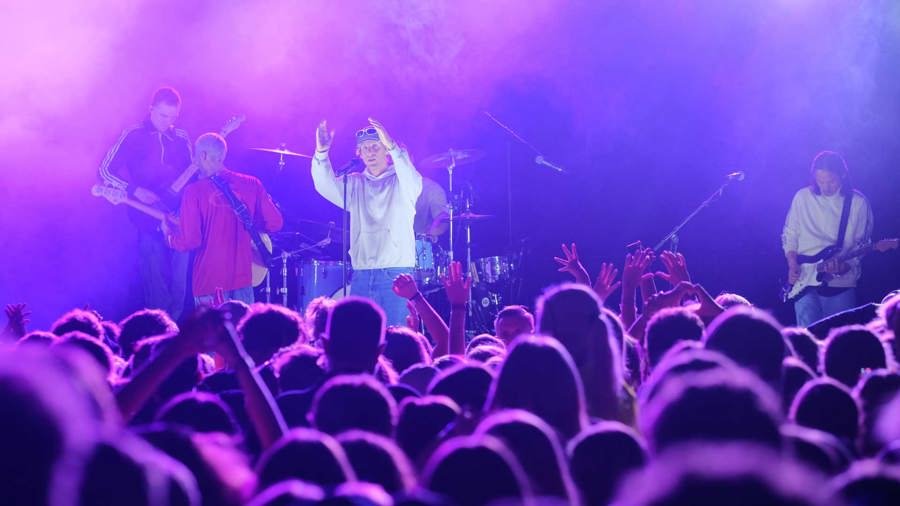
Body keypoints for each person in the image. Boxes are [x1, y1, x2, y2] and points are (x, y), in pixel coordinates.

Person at [311, 118, 423, 326]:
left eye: (375, 147)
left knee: (397, 337)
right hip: (361, 274)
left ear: (386, 150)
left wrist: (393, 146)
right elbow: (324, 185)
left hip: (395, 272)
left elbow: (411, 176)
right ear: (359, 153)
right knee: (362, 338)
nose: (370, 152)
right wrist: (321, 153)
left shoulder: (402, 182)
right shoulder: (354, 182)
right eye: (365, 148)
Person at [98, 87, 194, 320]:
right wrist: (134, 190)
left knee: (180, 286)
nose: (167, 122)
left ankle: (177, 331)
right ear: (151, 109)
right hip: (147, 218)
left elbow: (194, 177)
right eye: (163, 115)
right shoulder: (134, 134)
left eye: (172, 117)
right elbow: (104, 170)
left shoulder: (181, 137)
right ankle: (159, 329)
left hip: (178, 219)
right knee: (155, 282)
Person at [162, 133, 283, 305]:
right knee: (242, 323)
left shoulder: (194, 191)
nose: (194, 160)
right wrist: (244, 226)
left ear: (203, 155)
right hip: (243, 282)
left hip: (209, 283)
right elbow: (275, 223)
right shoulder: (252, 183)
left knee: (212, 324)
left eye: (195, 155)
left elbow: (191, 241)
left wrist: (168, 237)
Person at [783, 150, 873, 327]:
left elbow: (861, 246)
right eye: (820, 181)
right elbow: (790, 233)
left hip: (840, 284)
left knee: (840, 337)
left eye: (831, 181)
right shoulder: (802, 197)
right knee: (806, 339)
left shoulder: (858, 203)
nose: (825, 187)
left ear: (843, 175)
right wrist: (792, 263)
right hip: (803, 280)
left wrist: (844, 266)